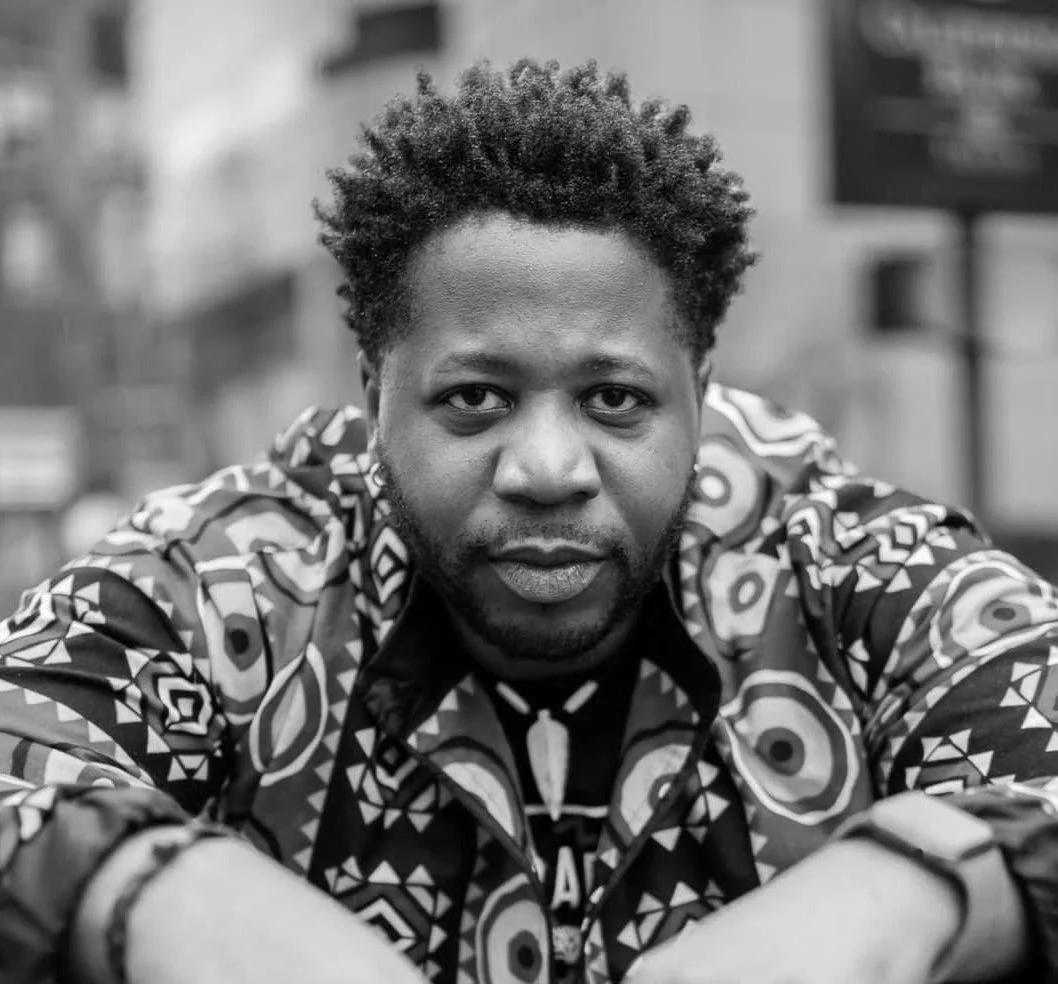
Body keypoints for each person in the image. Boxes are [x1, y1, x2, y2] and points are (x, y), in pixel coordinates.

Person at [0, 57, 1055, 984]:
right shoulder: (229, 581)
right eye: (474, 398)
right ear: (373, 391)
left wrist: (916, 883)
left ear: (698, 393)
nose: (547, 471)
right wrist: (152, 891)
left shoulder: (852, 569)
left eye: (615, 400)